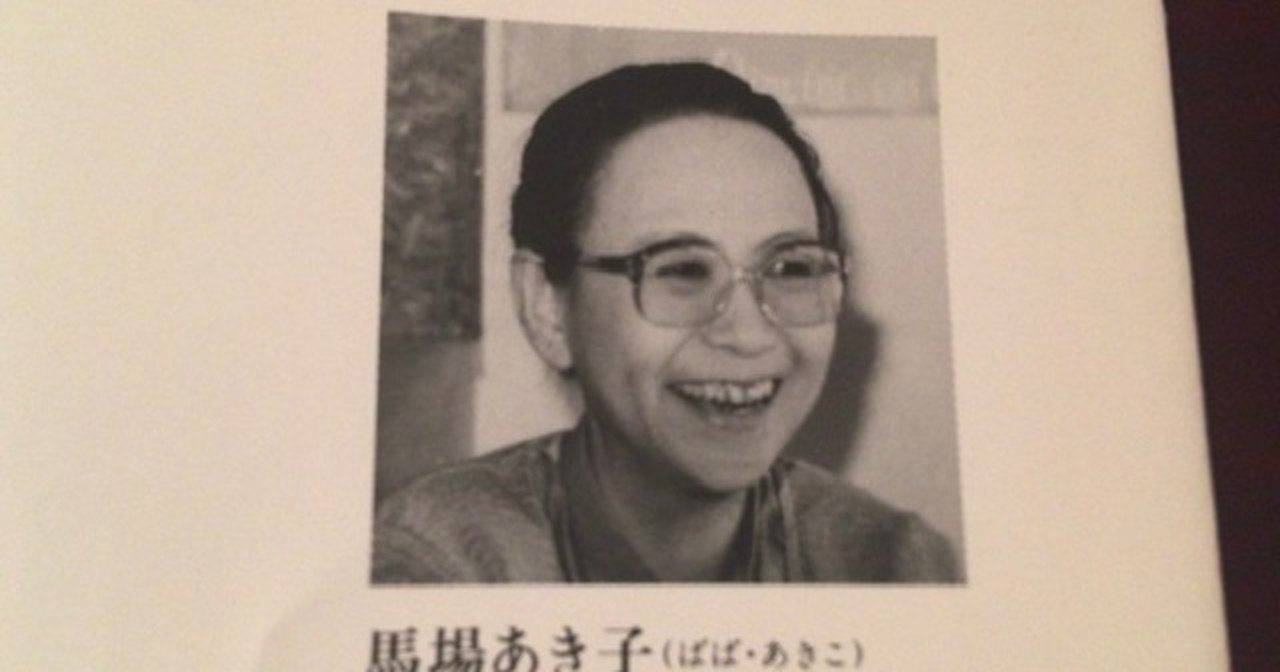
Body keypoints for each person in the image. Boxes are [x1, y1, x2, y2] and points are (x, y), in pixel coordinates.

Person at [372, 62, 956, 583]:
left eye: (791, 268)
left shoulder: (892, 563)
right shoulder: (435, 568)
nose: (749, 335)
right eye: (682, 271)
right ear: (546, 306)